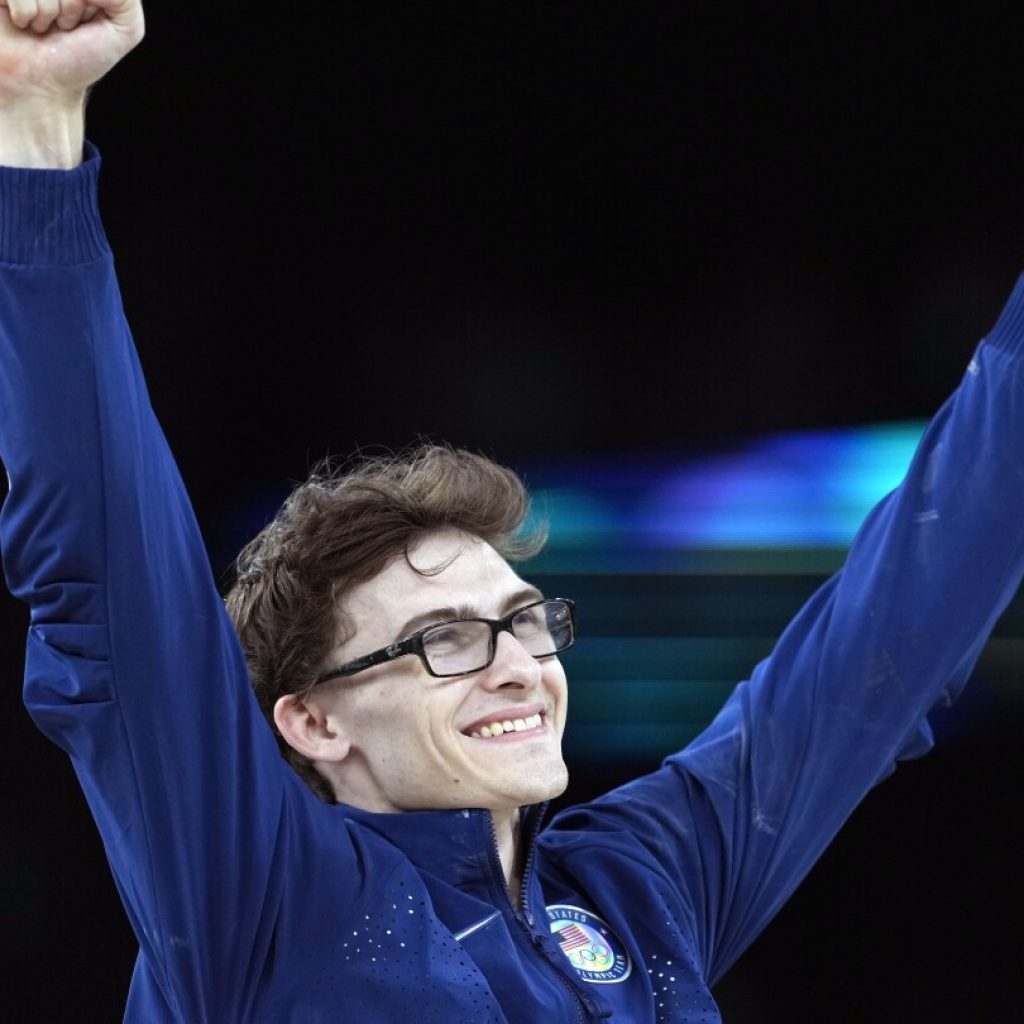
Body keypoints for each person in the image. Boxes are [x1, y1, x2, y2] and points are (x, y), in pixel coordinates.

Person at [1, 3, 1022, 1021]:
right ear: (311, 720)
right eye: (442, 639)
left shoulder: (638, 890)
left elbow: (894, 631)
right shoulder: (268, 900)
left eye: (525, 619)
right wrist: (40, 134)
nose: (518, 663)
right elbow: (110, 573)